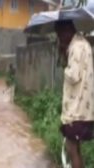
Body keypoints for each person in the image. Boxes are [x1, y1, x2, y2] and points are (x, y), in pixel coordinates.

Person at [55, 20, 94, 168]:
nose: (60, 38)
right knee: (76, 148)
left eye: (60, 34)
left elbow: (73, 75)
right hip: (84, 109)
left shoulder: (76, 47)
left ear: (67, 30)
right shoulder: (83, 43)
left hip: (76, 111)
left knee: (72, 149)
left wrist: (65, 63)